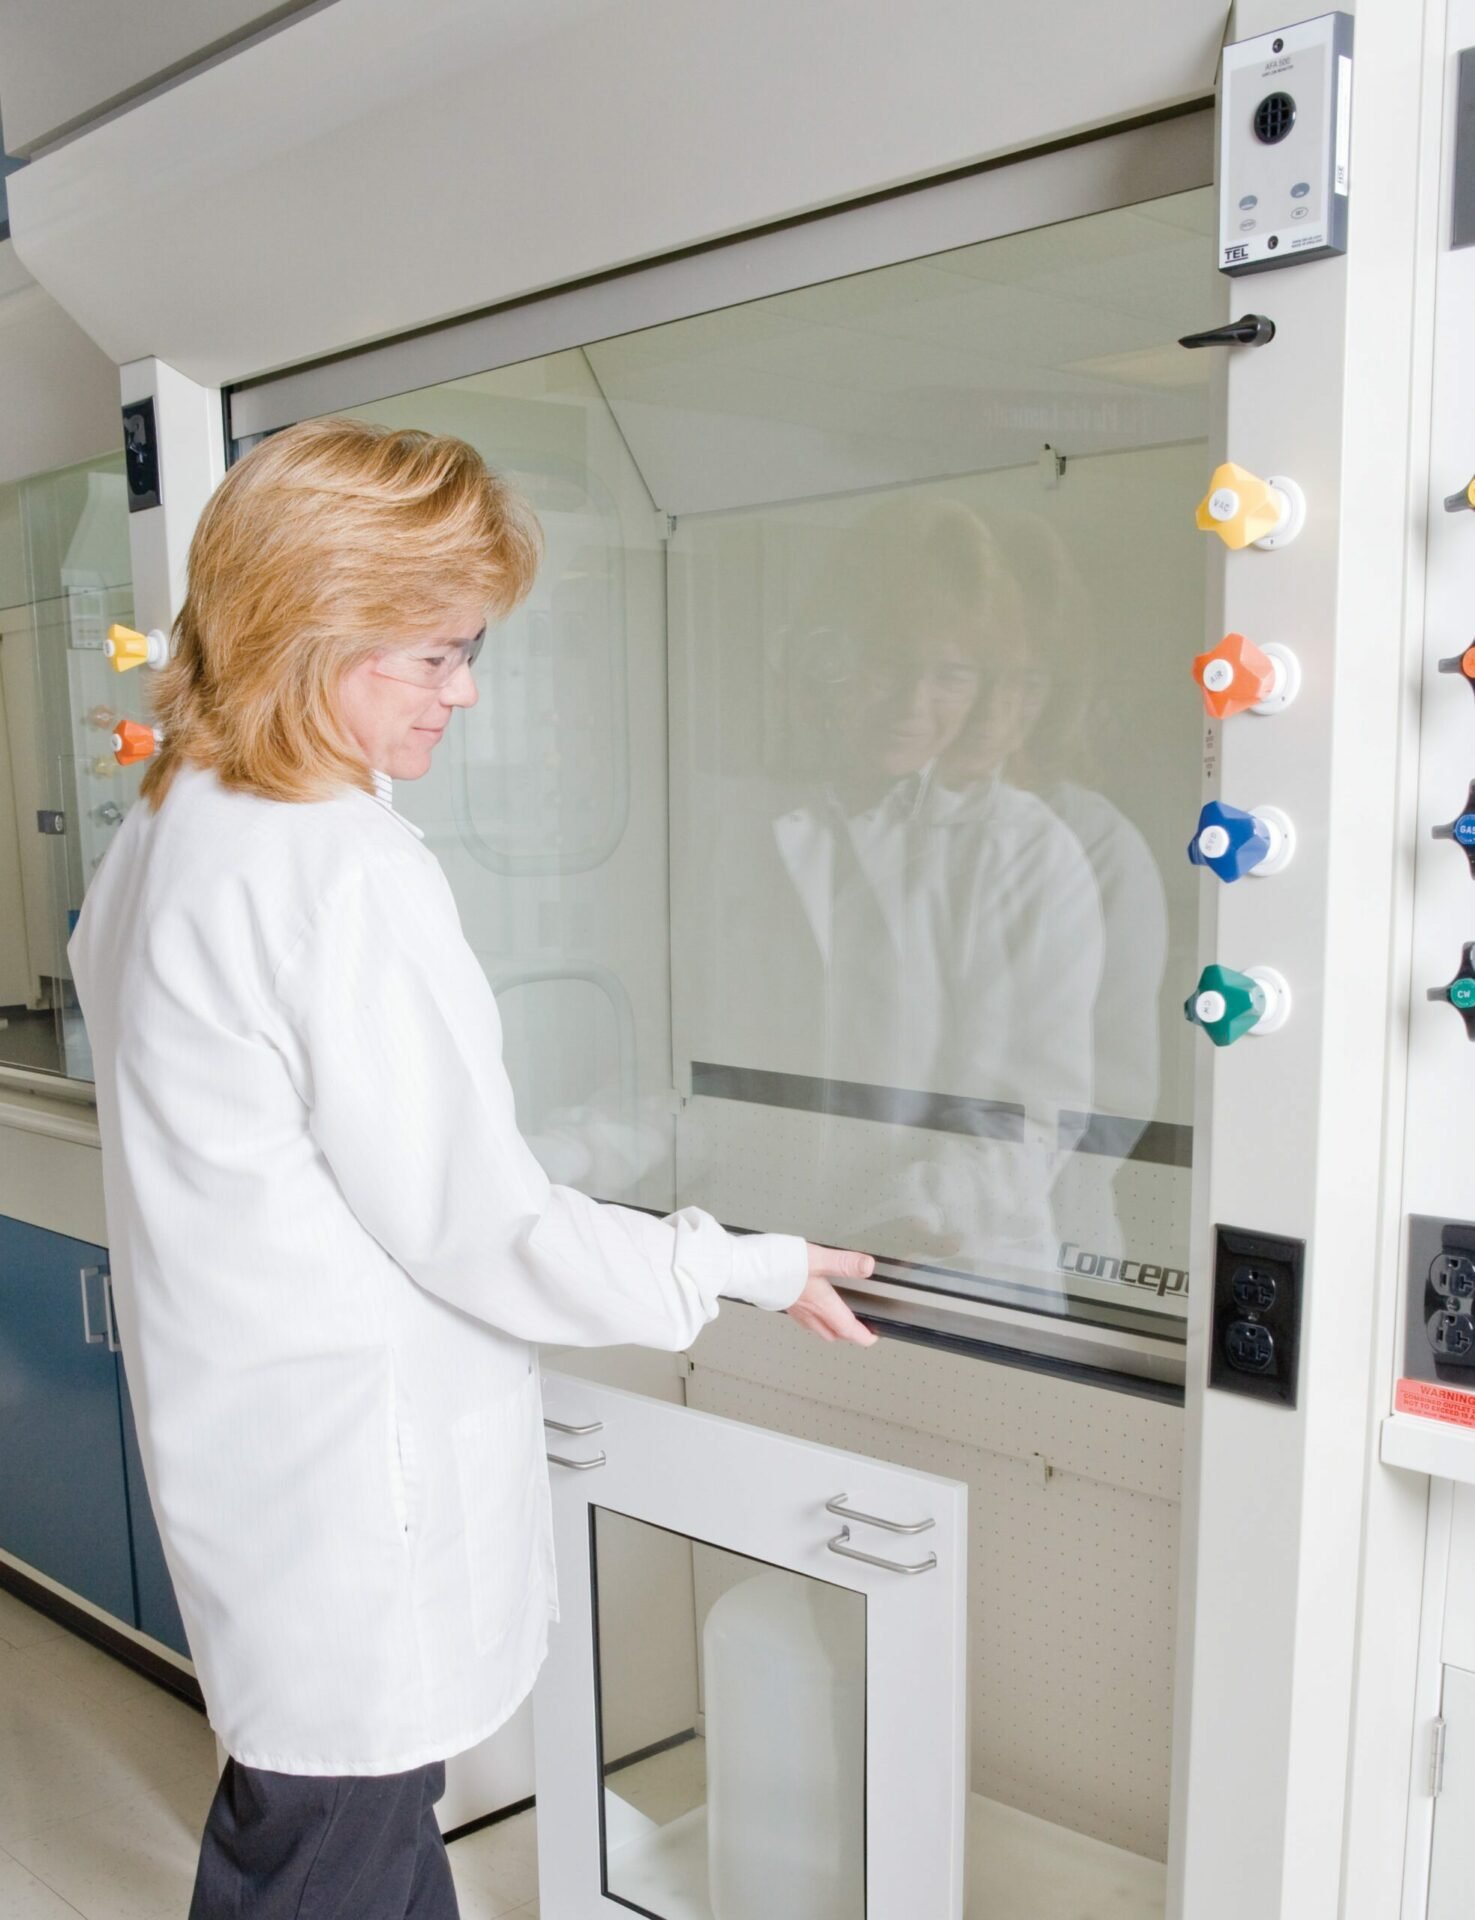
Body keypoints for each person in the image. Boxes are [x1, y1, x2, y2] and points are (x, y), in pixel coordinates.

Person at [68, 418, 876, 1920]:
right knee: (329, 1847)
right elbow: (482, 1230)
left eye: (470, 646)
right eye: (431, 652)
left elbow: (319, 1149)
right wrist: (739, 1261)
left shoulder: (172, 823)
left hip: (259, 1453)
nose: (465, 690)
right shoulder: (340, 870)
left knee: (326, 1829)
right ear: (311, 630)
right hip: (347, 1487)